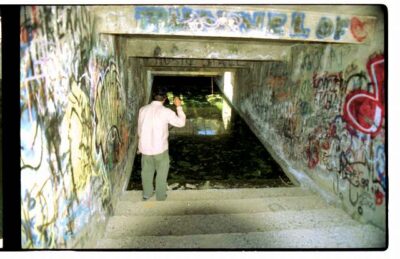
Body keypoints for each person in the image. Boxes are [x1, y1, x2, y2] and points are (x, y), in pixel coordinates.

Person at [137, 88, 186, 201]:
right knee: (162, 172)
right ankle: (160, 196)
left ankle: (147, 194)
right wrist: (178, 106)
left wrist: (140, 146)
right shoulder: (166, 112)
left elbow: (140, 129)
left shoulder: (142, 110)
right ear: (164, 99)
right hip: (160, 149)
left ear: (153, 97)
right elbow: (181, 123)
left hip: (145, 148)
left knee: (146, 172)